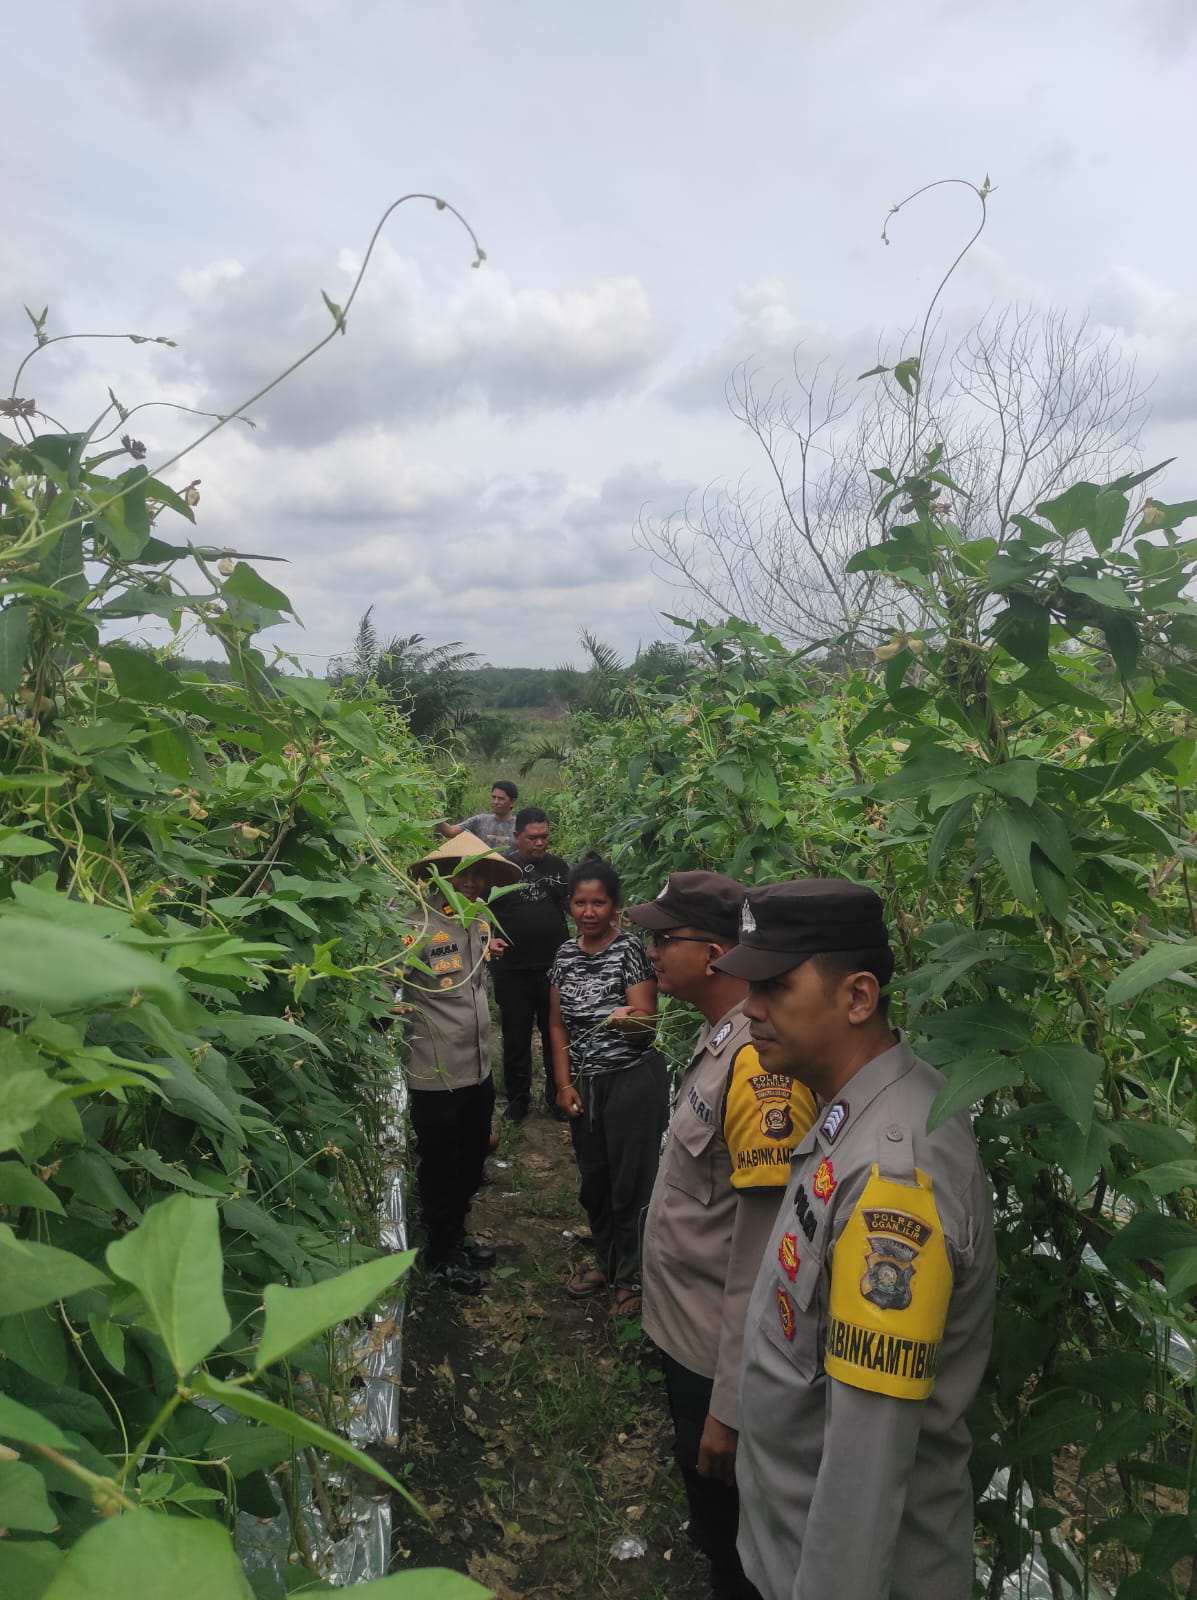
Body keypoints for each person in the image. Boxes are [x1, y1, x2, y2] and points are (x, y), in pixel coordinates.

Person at [711, 879, 997, 1600]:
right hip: (787, 1541)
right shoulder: (856, 1109)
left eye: (775, 987)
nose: (751, 1009)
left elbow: (867, 1463)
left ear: (858, 997)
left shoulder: (892, 1176)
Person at [626, 871, 817, 1600]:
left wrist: (728, 1406)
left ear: (710, 953)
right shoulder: (723, 1043)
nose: (649, 953)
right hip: (689, 1335)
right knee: (710, 1509)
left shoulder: (757, 1068)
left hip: (716, 1352)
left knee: (732, 1517)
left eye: (662, 940)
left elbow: (766, 1253)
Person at [401, 830, 522, 1295]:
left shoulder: (478, 923)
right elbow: (386, 982)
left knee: (473, 1157)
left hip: (477, 1067)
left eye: (479, 874)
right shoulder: (417, 926)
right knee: (440, 1164)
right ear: (438, 876)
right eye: (460, 873)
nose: (471, 882)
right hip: (435, 1071)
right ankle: (440, 1252)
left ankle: (457, 1234)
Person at [548, 856, 666, 1315]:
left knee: (631, 1182)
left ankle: (630, 1278)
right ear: (570, 907)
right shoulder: (564, 955)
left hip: (631, 1081)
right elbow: (557, 1025)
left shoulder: (630, 951)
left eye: (599, 903)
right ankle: (606, 1259)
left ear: (614, 906)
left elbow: (647, 1026)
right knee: (594, 1179)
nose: (589, 911)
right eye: (580, 902)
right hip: (587, 1083)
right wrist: (563, 1084)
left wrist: (624, 1021)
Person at [489, 807, 570, 1122]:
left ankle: (557, 1095)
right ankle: (518, 1101)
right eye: (532, 838)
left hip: (553, 968)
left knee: (556, 1036)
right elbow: (480, 912)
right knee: (516, 1037)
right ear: (517, 837)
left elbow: (571, 905)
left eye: (544, 837)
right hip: (512, 969)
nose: (540, 843)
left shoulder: (559, 867)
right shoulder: (500, 869)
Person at [436, 779, 518, 851]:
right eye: (493, 797)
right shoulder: (480, 820)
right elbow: (450, 832)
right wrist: (437, 819)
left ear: (512, 802)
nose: (495, 802)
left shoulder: (520, 825)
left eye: (501, 798)